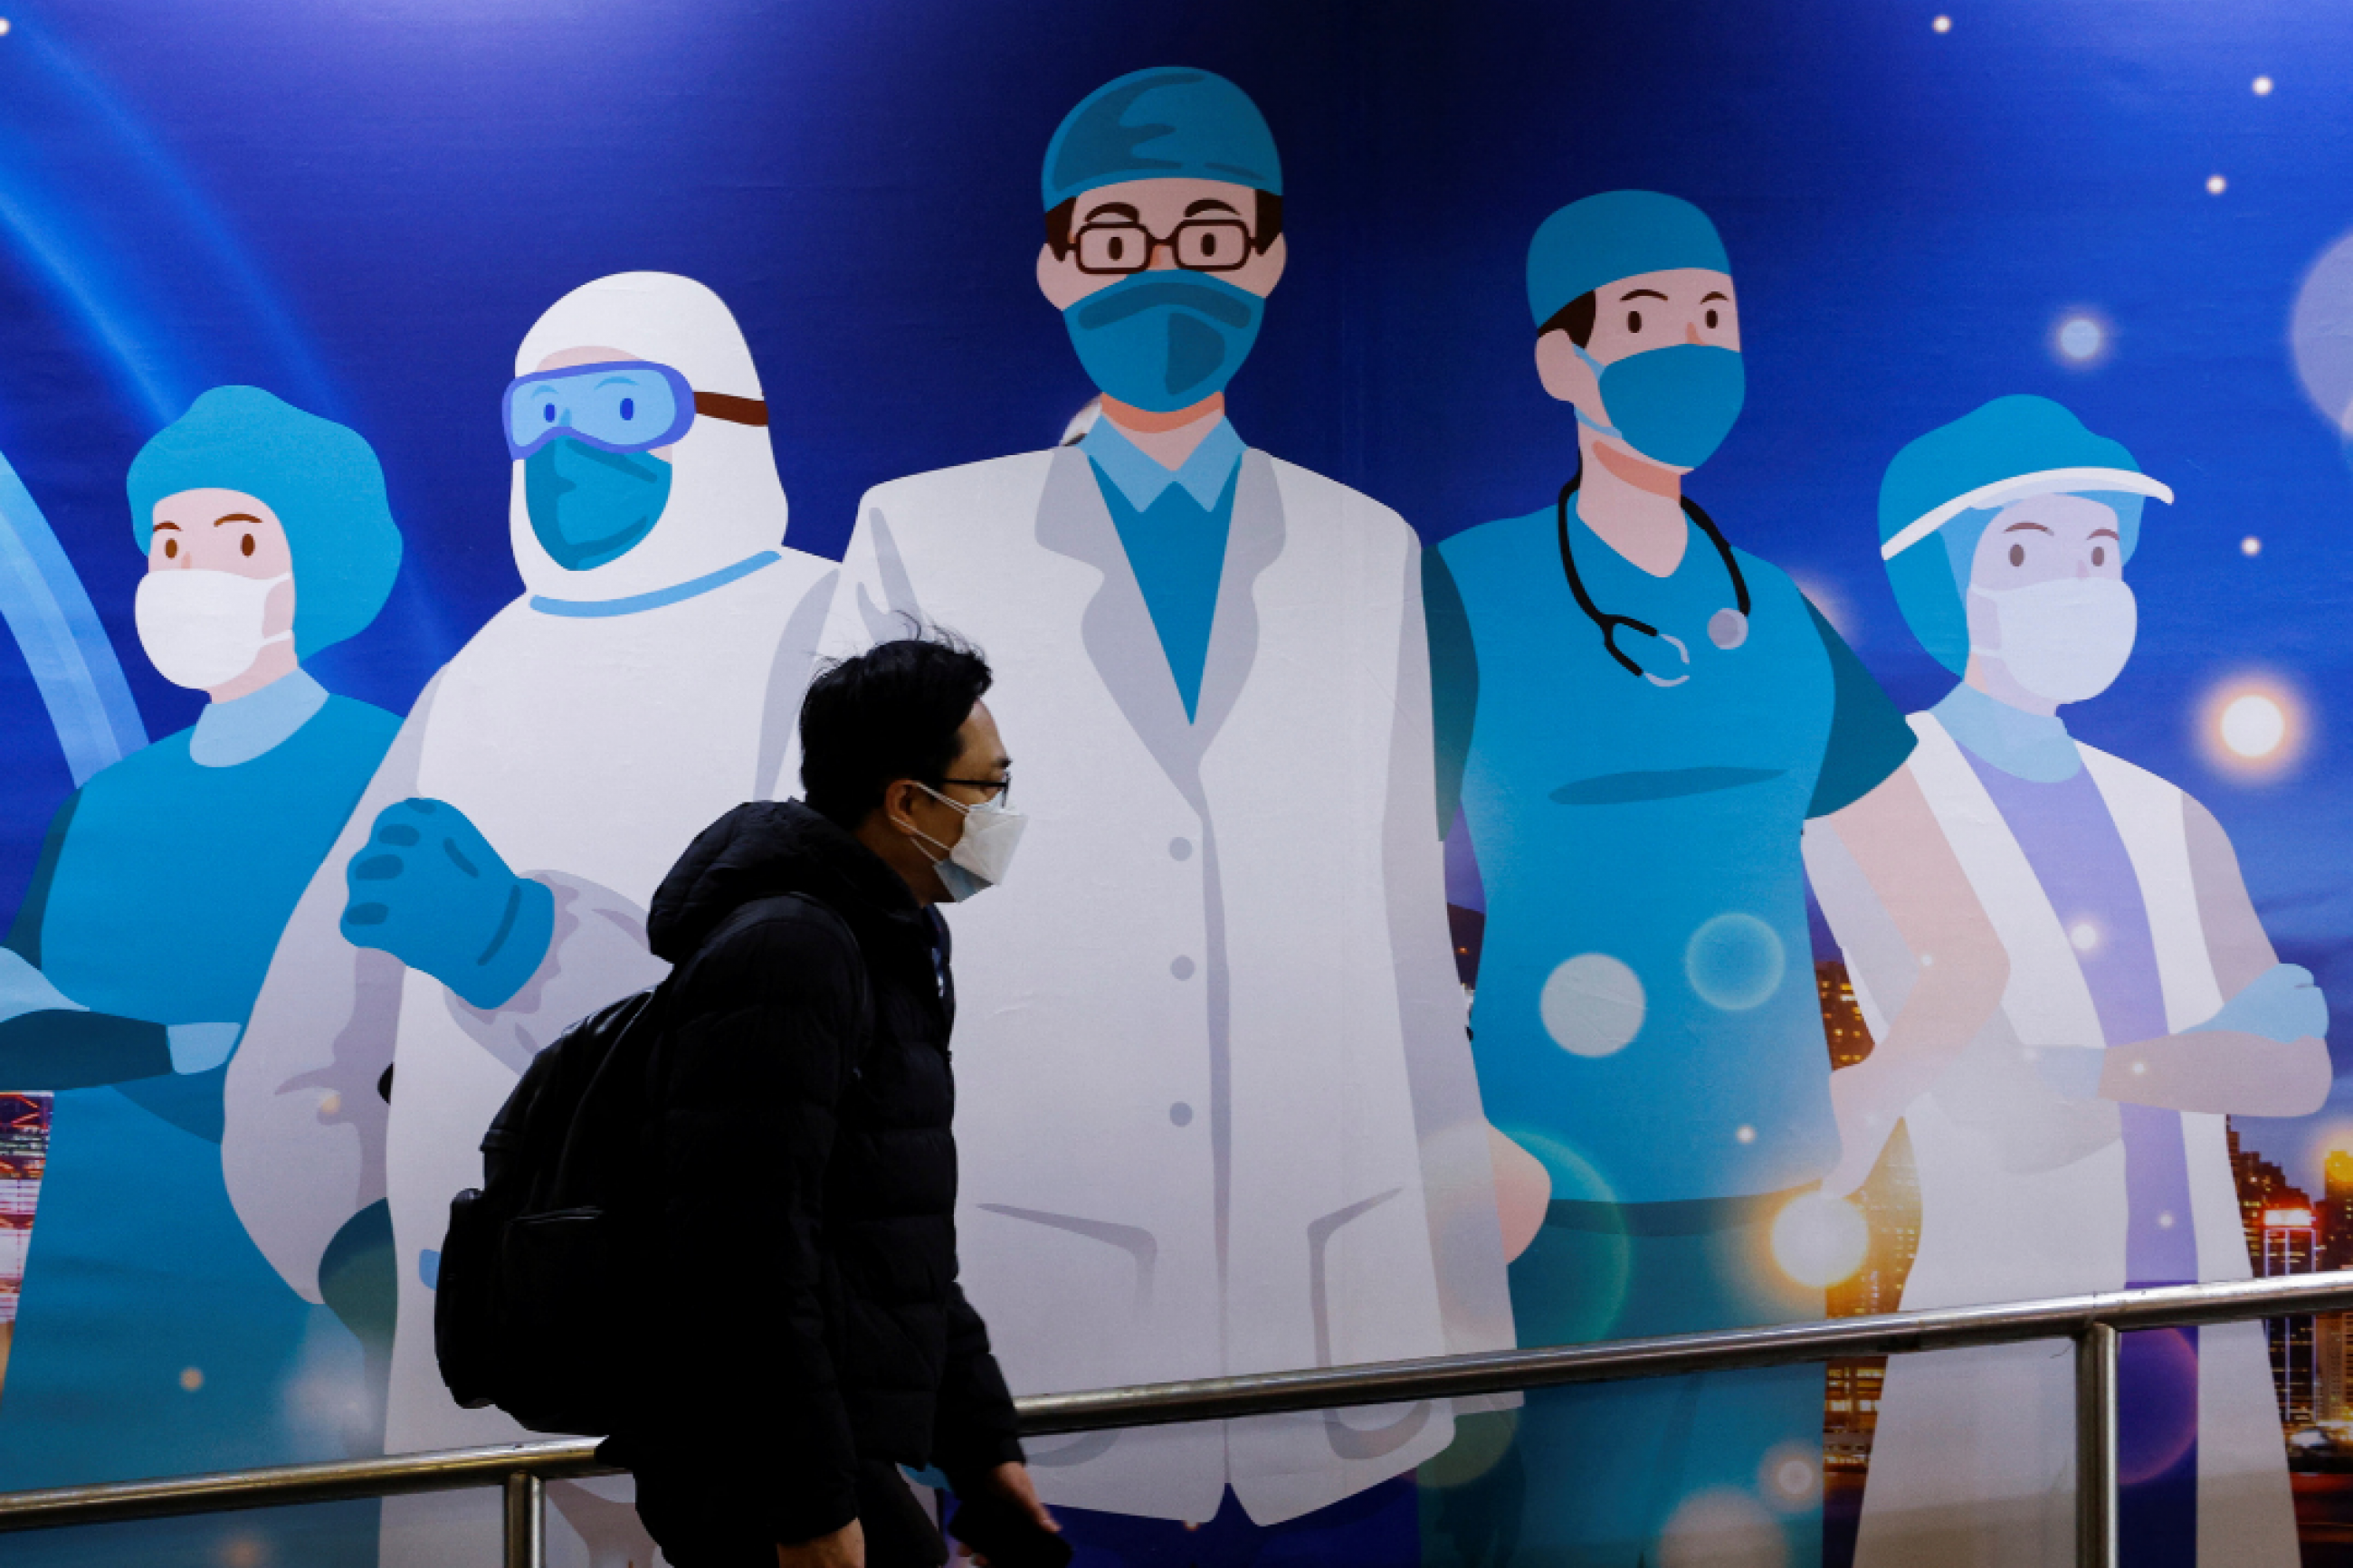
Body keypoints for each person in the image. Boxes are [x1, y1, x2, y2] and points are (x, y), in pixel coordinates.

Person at [826, 65, 1518, 1560]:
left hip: (1342, 1317)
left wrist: (1468, 1289)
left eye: (1209, 235)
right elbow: (845, 918)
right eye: (1120, 236)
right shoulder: (920, 531)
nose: (1165, 271)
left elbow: (1408, 931)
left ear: (1267, 259)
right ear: (1056, 260)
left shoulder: (1368, 548)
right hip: (1035, 1296)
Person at [222, 272, 840, 1566]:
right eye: (541, 415)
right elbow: (298, 1047)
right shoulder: (480, 675)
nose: (571, 452)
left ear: (719, 423)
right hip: (477, 1374)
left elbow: (819, 1010)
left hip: (735, 1355)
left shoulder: (822, 635)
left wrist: (526, 952)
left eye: (621, 407)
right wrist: (368, 1269)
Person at [1423, 191, 1957, 1567]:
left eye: (1714, 319)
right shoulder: (1466, 593)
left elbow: (1962, 942)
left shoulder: (1782, 619)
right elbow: (1361, 902)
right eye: (1647, 319)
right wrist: (1463, 1137)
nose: (1688, 350)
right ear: (1562, 359)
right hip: (1542, 1207)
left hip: (1760, 1224)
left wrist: (1865, 1103)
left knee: (1742, 1538)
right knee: (1537, 1535)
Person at [1803, 394, 2324, 1567]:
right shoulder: (1877, 809)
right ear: (1946, 584)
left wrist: (2104, 1062)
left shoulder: (2172, 816)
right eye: (2027, 551)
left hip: (2197, 1318)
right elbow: (2015, 1111)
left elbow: (2294, 1070)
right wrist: (2212, 1038)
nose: (2077, 583)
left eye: (2101, 551)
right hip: (2017, 1311)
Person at [0, 386, 403, 1566]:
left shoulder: (381, 766)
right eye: (168, 544)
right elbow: (24, 1007)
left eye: (236, 542)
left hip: (297, 1279)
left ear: (311, 567)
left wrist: (206, 1051)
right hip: (98, 1276)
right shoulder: (108, 802)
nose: (191, 573)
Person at [619, 632, 1048, 1568]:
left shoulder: (884, 944)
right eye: (988, 787)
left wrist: (981, 1448)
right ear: (907, 801)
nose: (1000, 814)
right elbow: (743, 1255)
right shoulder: (791, 951)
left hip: (808, 1447)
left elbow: (884, 1238)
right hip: (758, 1465)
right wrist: (808, 1508)